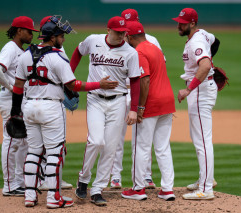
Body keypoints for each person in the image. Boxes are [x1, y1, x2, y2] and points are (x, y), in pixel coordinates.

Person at [11, 15, 118, 208]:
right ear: (52, 37)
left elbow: (18, 85)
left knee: (34, 152)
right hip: (50, 108)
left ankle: (29, 196)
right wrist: (98, 85)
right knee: (54, 152)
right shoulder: (57, 57)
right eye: (61, 35)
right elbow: (73, 84)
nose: (64, 39)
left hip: (28, 107)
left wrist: (14, 112)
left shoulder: (25, 54)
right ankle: (53, 198)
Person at [70, 16, 141, 206]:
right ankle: (83, 180)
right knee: (96, 140)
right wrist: (68, 76)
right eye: (117, 32)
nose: (121, 36)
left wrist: (133, 109)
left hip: (118, 102)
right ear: (108, 30)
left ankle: (98, 189)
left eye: (123, 32)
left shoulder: (130, 52)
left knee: (110, 147)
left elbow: (135, 81)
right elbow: (78, 51)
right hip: (95, 99)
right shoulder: (93, 40)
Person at [110, 8, 165, 190]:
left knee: (141, 138)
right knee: (116, 137)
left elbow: (158, 67)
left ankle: (146, 176)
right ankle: (115, 176)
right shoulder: (117, 42)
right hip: (120, 93)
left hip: (138, 93)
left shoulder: (151, 41)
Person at [120, 21, 176, 201]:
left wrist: (139, 107)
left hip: (151, 103)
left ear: (130, 36)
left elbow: (144, 81)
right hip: (167, 101)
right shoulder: (155, 47)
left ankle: (138, 189)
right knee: (163, 147)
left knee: (141, 147)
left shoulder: (139, 52)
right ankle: (167, 190)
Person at [172, 8, 220, 200]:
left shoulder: (197, 41)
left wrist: (188, 89)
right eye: (178, 21)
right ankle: (205, 179)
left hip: (199, 91)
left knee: (202, 141)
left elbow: (205, 65)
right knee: (198, 138)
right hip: (203, 87)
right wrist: (210, 57)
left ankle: (207, 189)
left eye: (182, 23)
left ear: (192, 24)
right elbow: (216, 41)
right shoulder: (203, 35)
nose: (178, 25)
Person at [0, 16, 38, 196]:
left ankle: (20, 182)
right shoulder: (10, 48)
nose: (31, 35)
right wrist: (13, 88)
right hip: (9, 99)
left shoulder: (20, 50)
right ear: (19, 31)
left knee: (24, 141)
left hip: (17, 100)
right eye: (29, 31)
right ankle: (9, 185)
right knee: (11, 140)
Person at [36, 15, 73, 191]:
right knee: (52, 143)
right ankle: (46, 181)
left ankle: (52, 178)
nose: (63, 34)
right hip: (49, 99)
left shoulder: (49, 48)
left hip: (45, 98)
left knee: (52, 142)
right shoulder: (53, 51)